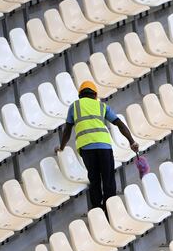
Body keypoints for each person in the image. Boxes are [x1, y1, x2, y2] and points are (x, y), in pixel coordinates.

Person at [56, 81, 139, 211]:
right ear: (95, 95)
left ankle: (97, 210)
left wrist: (61, 147)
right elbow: (119, 124)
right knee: (108, 178)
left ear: (80, 95)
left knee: (94, 179)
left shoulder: (75, 106)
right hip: (104, 146)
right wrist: (132, 142)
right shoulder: (102, 106)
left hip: (86, 148)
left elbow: (67, 131)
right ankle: (110, 210)